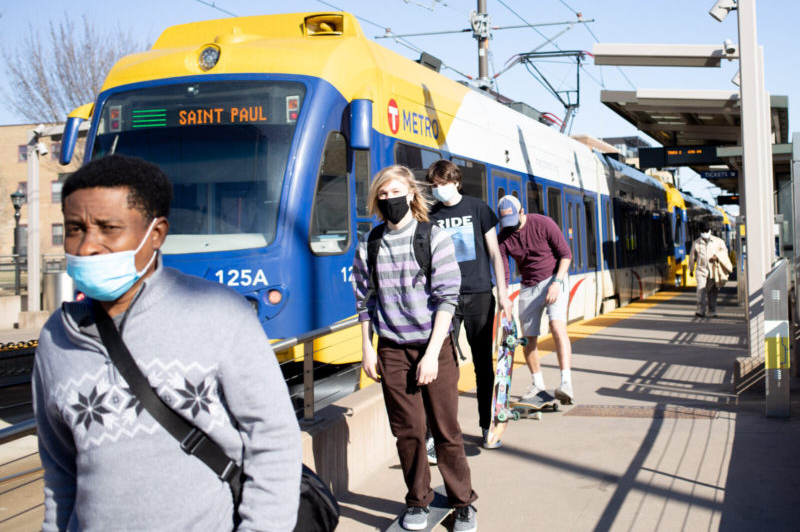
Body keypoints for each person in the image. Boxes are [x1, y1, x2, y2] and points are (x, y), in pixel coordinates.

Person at [33, 154, 301, 531]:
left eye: (109, 228)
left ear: (156, 233)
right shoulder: (55, 338)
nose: (87, 247)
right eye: (75, 229)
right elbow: (60, 472)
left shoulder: (219, 312)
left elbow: (274, 441)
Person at [352, 165, 478, 532]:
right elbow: (364, 300)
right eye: (383, 195)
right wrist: (367, 347)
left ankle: (463, 502)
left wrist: (432, 353)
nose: (389, 199)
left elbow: (447, 299)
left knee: (445, 431)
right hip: (392, 348)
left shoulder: (432, 237)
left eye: (395, 192)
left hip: (433, 345)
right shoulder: (369, 243)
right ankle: (417, 501)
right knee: (407, 431)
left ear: (410, 193)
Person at [425, 160, 512, 448]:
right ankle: (442, 435)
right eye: (435, 185)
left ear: (456, 181)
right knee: (444, 367)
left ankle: (488, 427)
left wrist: (503, 294)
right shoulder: (430, 215)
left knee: (483, 365)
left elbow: (495, 254)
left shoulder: (478, 209)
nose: (440, 190)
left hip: (479, 294)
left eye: (443, 183)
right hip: (445, 297)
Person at [495, 195, 574, 405]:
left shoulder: (544, 223)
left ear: (522, 211)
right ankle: (537, 384)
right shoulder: (503, 236)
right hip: (528, 286)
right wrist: (503, 297)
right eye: (506, 225)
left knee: (557, 327)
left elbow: (566, 255)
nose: (511, 228)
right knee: (528, 338)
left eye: (514, 222)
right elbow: (503, 270)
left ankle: (566, 383)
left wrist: (557, 282)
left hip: (553, 280)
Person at [688, 221, 733, 318]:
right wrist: (691, 269)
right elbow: (692, 257)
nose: (704, 232)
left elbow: (724, 252)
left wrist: (717, 257)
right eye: (702, 231)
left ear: (710, 231)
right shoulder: (696, 243)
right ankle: (701, 310)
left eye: (706, 230)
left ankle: (712, 311)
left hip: (714, 271)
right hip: (701, 270)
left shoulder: (719, 242)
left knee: (713, 292)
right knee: (701, 290)